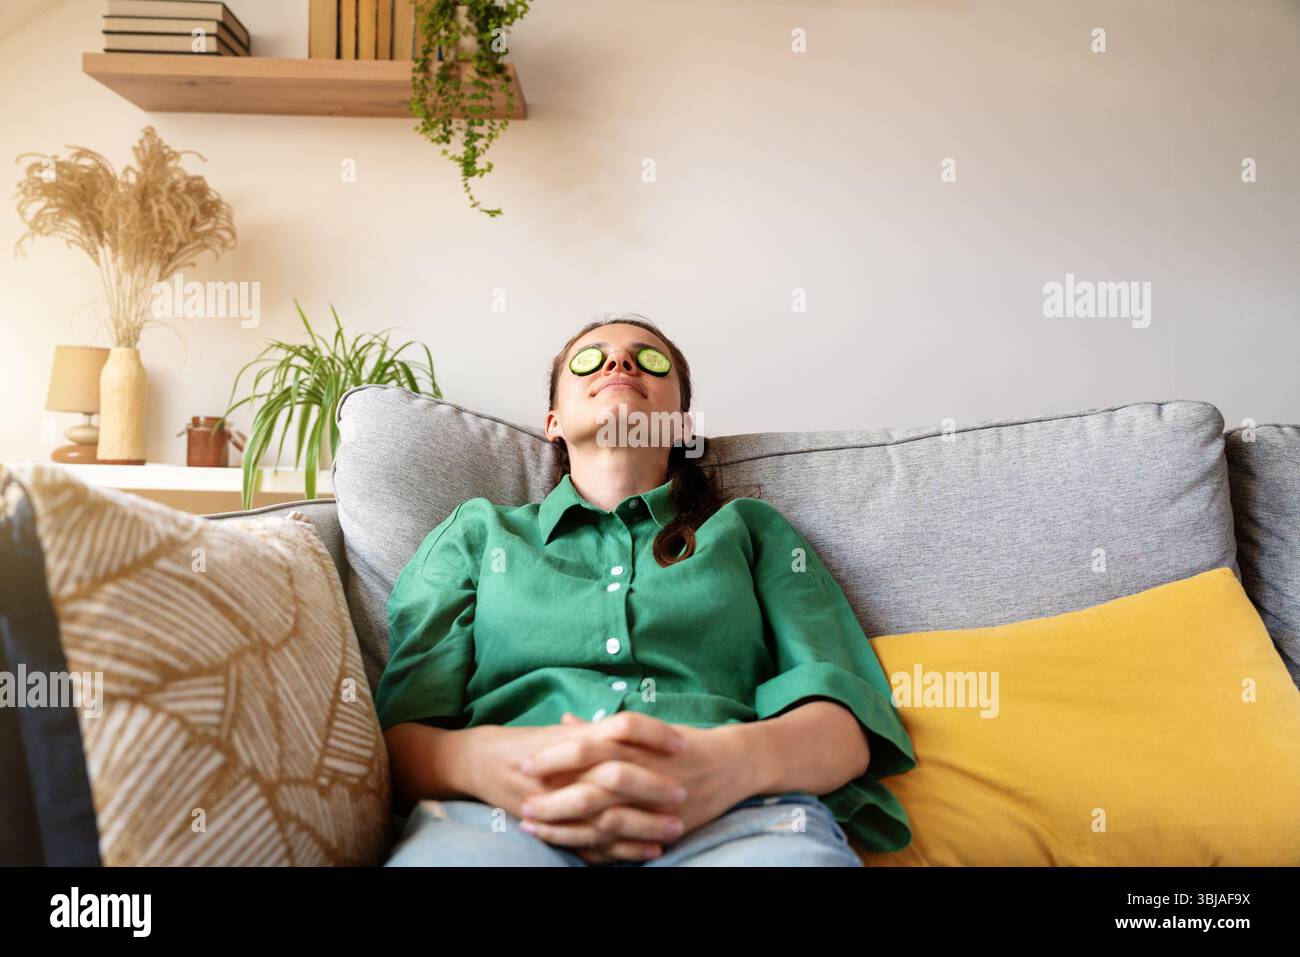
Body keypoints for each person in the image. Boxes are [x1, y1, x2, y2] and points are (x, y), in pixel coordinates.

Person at [376, 314, 916, 866]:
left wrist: (730, 762)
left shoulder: (751, 531)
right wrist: (480, 761)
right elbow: (397, 736)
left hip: (738, 820)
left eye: (648, 359)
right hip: (498, 824)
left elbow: (846, 727)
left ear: (682, 427)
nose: (620, 363)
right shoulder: (476, 534)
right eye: (591, 358)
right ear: (553, 422)